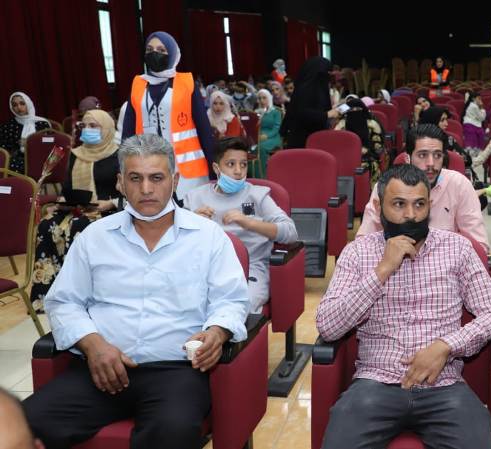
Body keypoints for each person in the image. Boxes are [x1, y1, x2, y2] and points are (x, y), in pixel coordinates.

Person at [22, 134, 250, 449]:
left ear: (174, 180)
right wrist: (93, 345)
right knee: (21, 425)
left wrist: (218, 332)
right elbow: (64, 302)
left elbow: (232, 300)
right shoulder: (94, 237)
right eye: (135, 178)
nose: (146, 189)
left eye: (156, 178)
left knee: (171, 432)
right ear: (120, 182)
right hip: (101, 367)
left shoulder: (208, 237)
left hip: (176, 372)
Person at [316, 164, 491, 449]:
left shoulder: (457, 248)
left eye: (420, 204)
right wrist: (382, 270)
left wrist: (446, 346)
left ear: (430, 205)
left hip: (443, 386)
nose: (411, 214)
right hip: (374, 385)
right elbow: (328, 326)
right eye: (399, 204)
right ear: (379, 207)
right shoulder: (357, 252)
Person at [184, 137, 297, 313]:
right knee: (185, 306)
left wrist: (249, 223)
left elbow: (290, 233)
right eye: (231, 164)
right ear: (216, 168)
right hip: (205, 270)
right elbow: (174, 240)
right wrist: (191, 222)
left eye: (243, 165)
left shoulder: (258, 195)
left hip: (250, 269)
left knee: (236, 308)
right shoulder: (194, 197)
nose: (238, 171)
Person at [29, 110, 122, 312]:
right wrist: (60, 202)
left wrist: (111, 203)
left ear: (107, 128)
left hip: (109, 209)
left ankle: (82, 295)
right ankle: (46, 295)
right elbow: (67, 187)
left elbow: (128, 191)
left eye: (93, 126)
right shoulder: (76, 153)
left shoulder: (119, 155)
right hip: (78, 207)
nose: (87, 130)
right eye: (84, 126)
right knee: (46, 224)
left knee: (80, 226)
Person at [357, 124, 489, 254]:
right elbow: (363, 244)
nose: (431, 163)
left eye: (437, 155)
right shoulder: (387, 186)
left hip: (445, 263)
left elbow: (480, 247)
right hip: (393, 262)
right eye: (422, 155)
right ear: (407, 158)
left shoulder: (459, 185)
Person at [121, 31, 215, 199]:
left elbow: (204, 129)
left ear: (171, 53)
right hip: (148, 166)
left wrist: (214, 166)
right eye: (149, 49)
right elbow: (127, 132)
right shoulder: (138, 84)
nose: (154, 53)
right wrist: (122, 169)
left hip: (187, 170)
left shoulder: (187, 82)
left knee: (191, 211)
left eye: (161, 50)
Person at [280, 56, 340, 149]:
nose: (328, 76)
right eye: (327, 72)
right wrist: (326, 115)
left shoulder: (317, 87)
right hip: (302, 140)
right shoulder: (304, 90)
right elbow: (301, 113)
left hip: (316, 138)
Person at [333, 97, 385, 182]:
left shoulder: (372, 124)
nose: (354, 111)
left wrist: (366, 150)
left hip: (368, 158)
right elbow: (336, 144)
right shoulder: (341, 125)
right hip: (346, 158)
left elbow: (378, 147)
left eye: (357, 109)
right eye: (351, 109)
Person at [1, 92, 50, 174]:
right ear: (12, 108)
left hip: (40, 157)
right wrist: (17, 144)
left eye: (22, 103)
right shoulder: (8, 126)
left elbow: (49, 143)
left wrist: (30, 143)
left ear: (28, 104)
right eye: (15, 105)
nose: (19, 107)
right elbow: (3, 147)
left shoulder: (41, 123)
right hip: (17, 160)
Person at [253, 89, 282, 176]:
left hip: (273, 137)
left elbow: (277, 128)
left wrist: (267, 136)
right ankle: (255, 172)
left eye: (264, 98)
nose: (262, 101)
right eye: (259, 98)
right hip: (258, 136)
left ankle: (263, 173)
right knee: (252, 147)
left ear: (269, 98)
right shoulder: (256, 112)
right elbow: (254, 128)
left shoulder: (276, 112)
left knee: (260, 148)